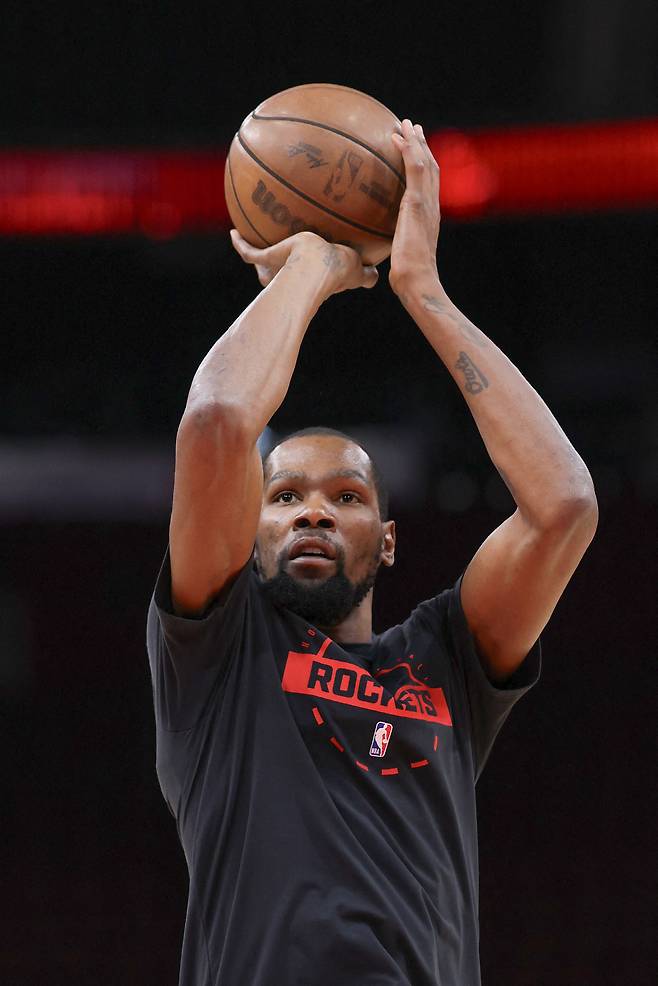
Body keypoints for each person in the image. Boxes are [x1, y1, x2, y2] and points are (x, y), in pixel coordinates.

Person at [146, 119, 597, 986]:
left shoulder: (445, 662)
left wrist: (425, 292)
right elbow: (214, 424)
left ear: (387, 542)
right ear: (250, 527)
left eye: (346, 497)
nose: (313, 511)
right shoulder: (219, 653)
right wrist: (316, 267)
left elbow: (564, 504)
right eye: (284, 498)